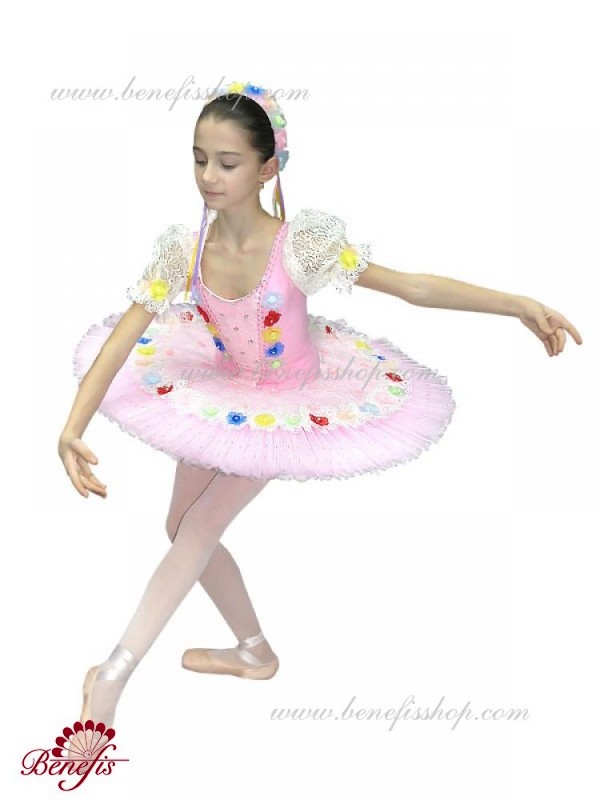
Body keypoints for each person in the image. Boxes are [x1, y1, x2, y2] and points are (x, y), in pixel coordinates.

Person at [58, 81, 583, 743]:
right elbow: (123, 338)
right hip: (220, 393)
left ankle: (114, 673)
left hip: (287, 407)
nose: (209, 176)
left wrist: (517, 304)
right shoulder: (183, 251)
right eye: (199, 158)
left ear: (267, 168)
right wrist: (71, 427)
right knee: (179, 525)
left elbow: (411, 287)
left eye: (228, 162)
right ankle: (254, 652)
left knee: (198, 528)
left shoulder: (298, 245)